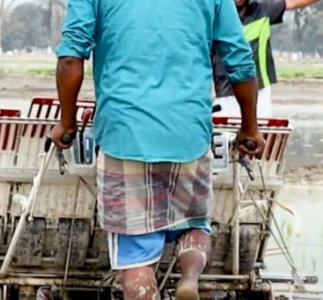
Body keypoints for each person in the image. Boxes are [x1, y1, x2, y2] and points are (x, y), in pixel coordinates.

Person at [50, 0, 266, 299]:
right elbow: (239, 59)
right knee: (194, 223)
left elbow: (71, 57)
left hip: (125, 134)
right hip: (188, 131)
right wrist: (250, 127)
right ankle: (189, 277)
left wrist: (67, 122)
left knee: (136, 253)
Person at [213, 0, 323, 117]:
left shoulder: (263, 11)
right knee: (224, 136)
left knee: (257, 133)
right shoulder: (215, 19)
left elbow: (291, 2)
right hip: (225, 93)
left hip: (259, 92)